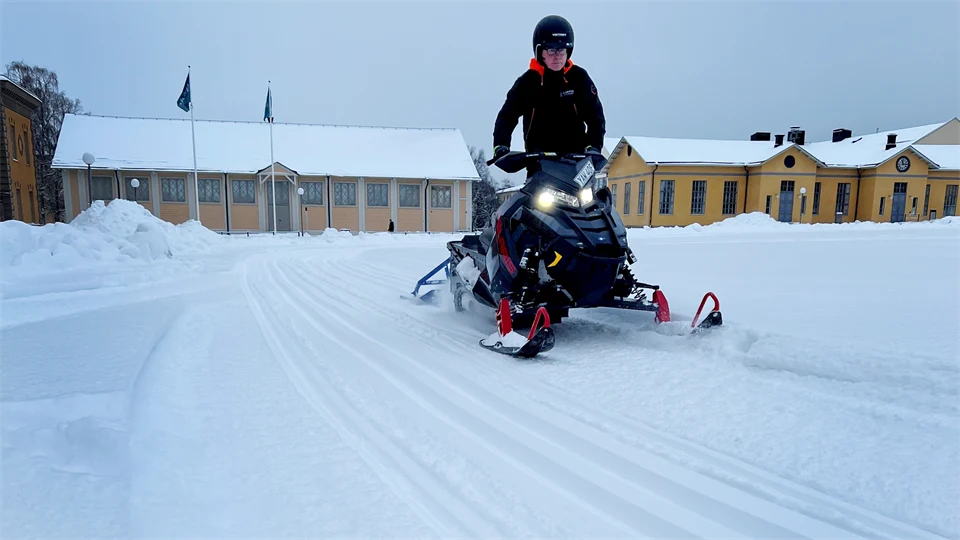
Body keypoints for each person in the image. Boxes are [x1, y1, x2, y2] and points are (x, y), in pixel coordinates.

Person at [492, 15, 606, 168]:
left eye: (561, 50)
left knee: (594, 192)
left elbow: (595, 117)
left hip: (577, 164)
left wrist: (594, 147)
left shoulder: (579, 79)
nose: (557, 56)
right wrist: (501, 146)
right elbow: (507, 116)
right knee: (530, 192)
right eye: (551, 50)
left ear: (568, 51)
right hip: (539, 164)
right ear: (540, 52)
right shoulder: (528, 82)